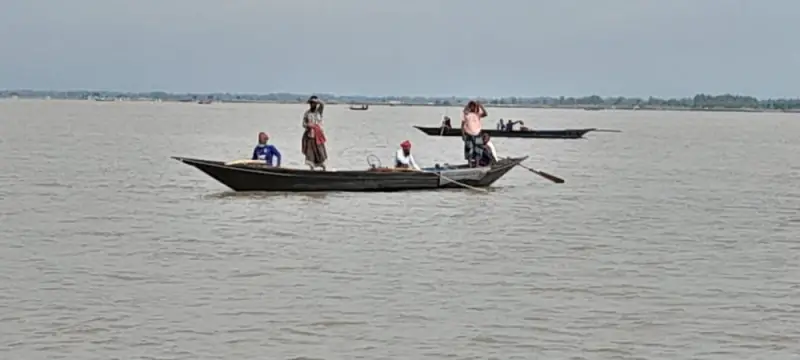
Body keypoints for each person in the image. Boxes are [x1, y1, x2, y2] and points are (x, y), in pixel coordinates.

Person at [301, 95, 328, 170]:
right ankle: (311, 169)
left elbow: (322, 104)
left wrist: (317, 100)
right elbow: (303, 124)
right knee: (310, 153)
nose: (313, 104)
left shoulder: (319, 111)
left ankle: (323, 168)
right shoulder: (307, 113)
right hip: (310, 135)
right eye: (312, 103)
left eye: (314, 103)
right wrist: (308, 125)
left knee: (320, 152)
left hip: (318, 136)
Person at [462, 100, 488, 167]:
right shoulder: (466, 114)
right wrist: (463, 134)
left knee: (478, 150)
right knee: (469, 150)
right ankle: (470, 164)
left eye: (473, 106)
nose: (472, 107)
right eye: (471, 106)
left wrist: (481, 106)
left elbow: (485, 114)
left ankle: (477, 165)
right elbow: (462, 125)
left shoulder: (477, 114)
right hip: (468, 134)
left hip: (477, 134)